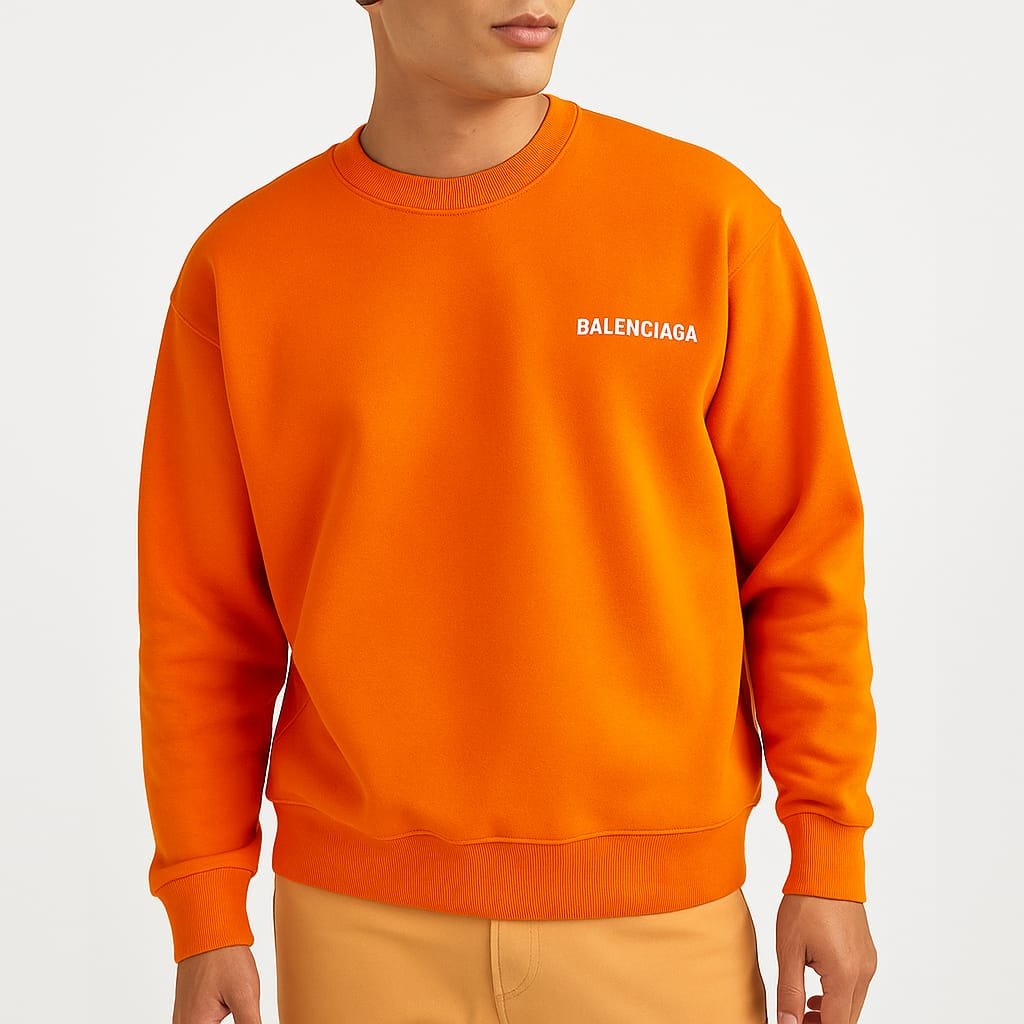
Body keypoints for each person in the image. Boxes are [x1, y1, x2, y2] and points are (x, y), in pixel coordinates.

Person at [136, 2, 879, 1022]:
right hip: (357, 929)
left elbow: (804, 563)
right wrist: (206, 905)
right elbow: (203, 621)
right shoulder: (244, 264)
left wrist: (827, 855)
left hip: (660, 920)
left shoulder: (710, 221)